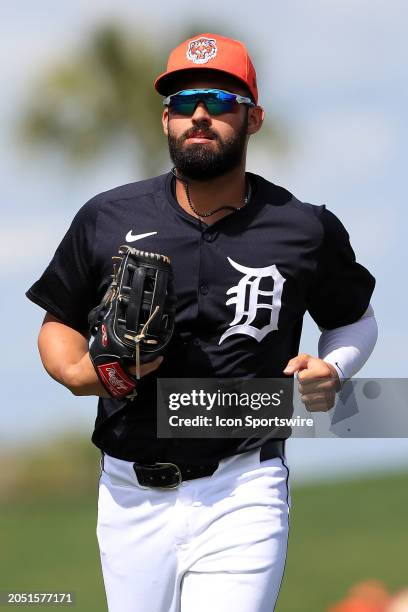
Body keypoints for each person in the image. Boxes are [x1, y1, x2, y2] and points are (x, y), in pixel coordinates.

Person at [26, 33, 378, 612]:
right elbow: (57, 326)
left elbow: (355, 320)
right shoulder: (107, 217)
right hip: (129, 490)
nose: (198, 115)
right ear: (165, 119)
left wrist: (333, 367)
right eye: (184, 101)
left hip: (243, 485)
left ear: (253, 118)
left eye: (218, 101)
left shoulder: (302, 228)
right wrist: (92, 374)